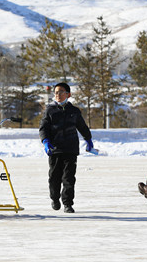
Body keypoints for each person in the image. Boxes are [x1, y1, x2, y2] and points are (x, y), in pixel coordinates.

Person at [38, 82, 94, 213]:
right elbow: (43, 127)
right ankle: (55, 198)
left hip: (70, 149)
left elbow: (82, 127)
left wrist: (88, 139)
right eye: (56, 92)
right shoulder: (50, 110)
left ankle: (68, 203)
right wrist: (45, 141)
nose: (58, 95)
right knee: (54, 177)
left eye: (61, 92)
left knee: (69, 178)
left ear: (68, 94)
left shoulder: (74, 111)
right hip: (55, 149)